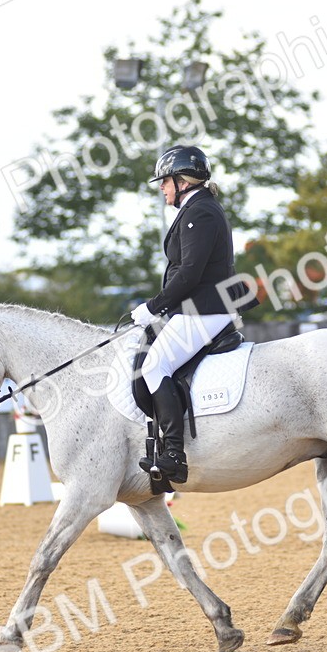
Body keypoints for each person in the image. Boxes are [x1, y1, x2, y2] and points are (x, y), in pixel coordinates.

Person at [130, 144, 253, 483]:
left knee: (155, 366)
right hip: (197, 308)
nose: (161, 187)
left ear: (182, 180)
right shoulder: (198, 208)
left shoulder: (200, 212)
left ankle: (174, 454)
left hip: (204, 309)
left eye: (165, 181)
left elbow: (189, 274)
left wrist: (153, 306)